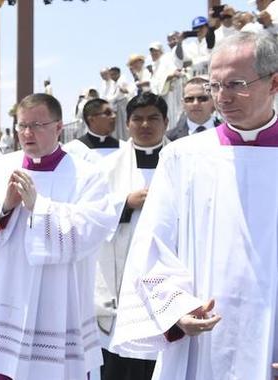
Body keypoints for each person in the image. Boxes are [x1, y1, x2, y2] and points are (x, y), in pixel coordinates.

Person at [111, 31, 278, 379]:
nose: (223, 97)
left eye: (236, 84)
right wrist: (175, 310)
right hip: (203, 341)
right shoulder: (183, 156)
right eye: (215, 86)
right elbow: (153, 245)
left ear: (274, 82)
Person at [0, 93, 118, 380]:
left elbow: (93, 229)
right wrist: (5, 206)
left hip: (58, 305)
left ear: (59, 127)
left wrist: (39, 207)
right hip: (5, 301)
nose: (27, 133)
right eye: (22, 125)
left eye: (37, 125)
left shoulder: (87, 175)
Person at [95, 92, 172, 380]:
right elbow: (93, 214)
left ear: (165, 121)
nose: (145, 124)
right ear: (127, 124)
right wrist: (126, 202)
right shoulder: (107, 167)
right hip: (121, 278)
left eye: (153, 118)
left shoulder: (184, 161)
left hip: (167, 273)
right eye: (137, 119)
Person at [63, 98, 124, 163]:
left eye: (114, 112)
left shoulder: (124, 148)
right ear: (91, 119)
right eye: (108, 113)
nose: (114, 116)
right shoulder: (71, 150)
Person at [166, 76, 222, 141]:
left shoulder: (230, 134)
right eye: (189, 99)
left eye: (202, 98)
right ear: (183, 103)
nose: (195, 103)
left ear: (213, 101)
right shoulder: (169, 138)